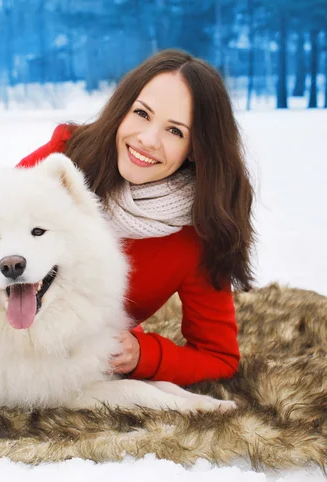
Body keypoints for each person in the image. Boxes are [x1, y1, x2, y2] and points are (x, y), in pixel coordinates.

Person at [16, 49, 255, 386]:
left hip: (75, 369)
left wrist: (143, 355)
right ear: (122, 108)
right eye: (142, 113)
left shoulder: (196, 236)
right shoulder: (67, 157)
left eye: (175, 132)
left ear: (197, 149)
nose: (147, 139)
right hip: (0, 341)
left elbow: (219, 357)